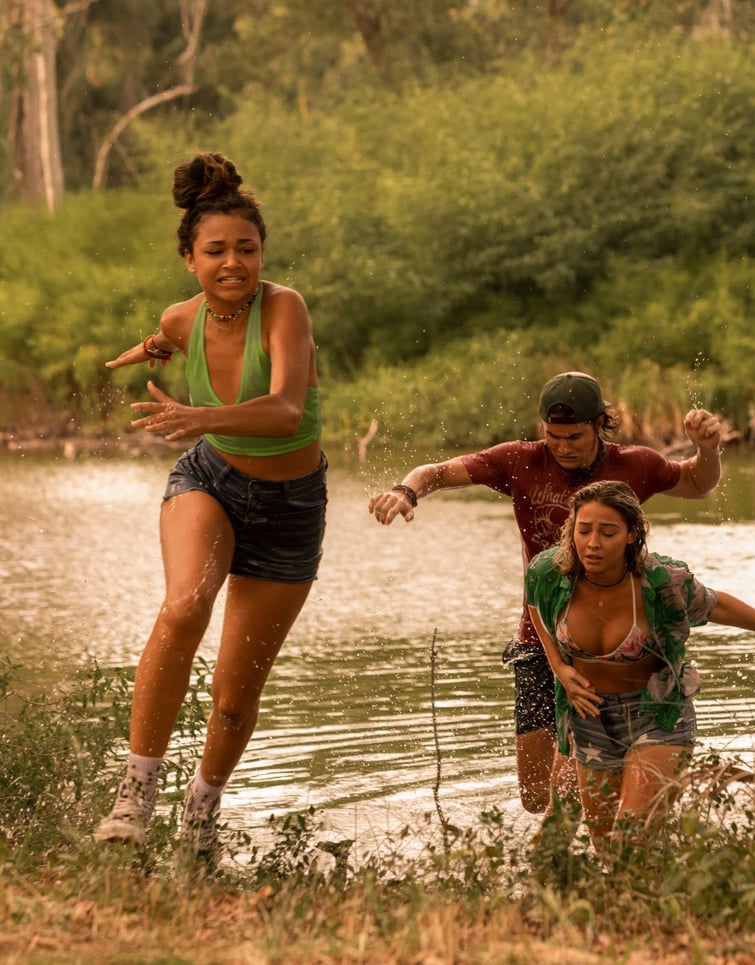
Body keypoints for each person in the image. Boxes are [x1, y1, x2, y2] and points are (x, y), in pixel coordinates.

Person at [95, 152, 326, 856]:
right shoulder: (182, 314)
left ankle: (200, 812)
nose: (234, 262)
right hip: (211, 480)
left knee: (232, 696)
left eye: (246, 249)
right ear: (190, 258)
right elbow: (170, 335)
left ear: (262, 254)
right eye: (216, 250)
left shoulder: (284, 308)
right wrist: (142, 353)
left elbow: (287, 408)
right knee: (184, 604)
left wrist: (200, 415)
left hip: (290, 503)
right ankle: (133, 801)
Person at [368, 371, 722, 813]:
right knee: (537, 797)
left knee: (573, 792)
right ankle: (586, 838)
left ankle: (613, 841)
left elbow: (696, 483)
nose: (562, 446)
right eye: (552, 436)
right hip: (540, 639)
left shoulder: (635, 465)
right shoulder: (520, 460)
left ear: (601, 424)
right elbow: (437, 472)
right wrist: (407, 490)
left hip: (610, 645)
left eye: (574, 436)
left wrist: (708, 450)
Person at [525, 479, 755, 852]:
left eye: (608, 532)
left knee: (631, 838)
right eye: (583, 531)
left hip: (658, 713)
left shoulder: (662, 582)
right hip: (590, 717)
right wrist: (558, 666)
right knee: (605, 846)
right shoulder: (549, 573)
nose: (593, 543)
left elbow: (716, 605)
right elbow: (534, 606)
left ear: (632, 534)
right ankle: (640, 905)